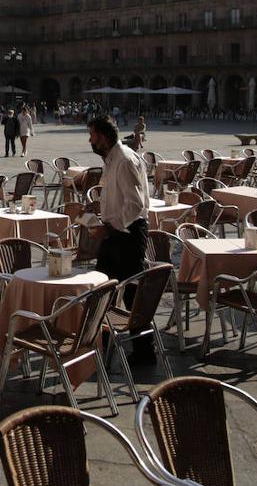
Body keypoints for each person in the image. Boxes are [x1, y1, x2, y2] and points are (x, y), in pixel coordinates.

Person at [85, 115, 153, 362]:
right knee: (105, 289)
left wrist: (110, 228)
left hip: (128, 234)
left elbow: (135, 205)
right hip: (116, 232)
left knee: (131, 292)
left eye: (92, 135)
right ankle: (103, 344)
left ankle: (144, 351)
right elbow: (124, 198)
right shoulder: (113, 158)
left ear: (102, 138)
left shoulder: (123, 160)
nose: (90, 140)